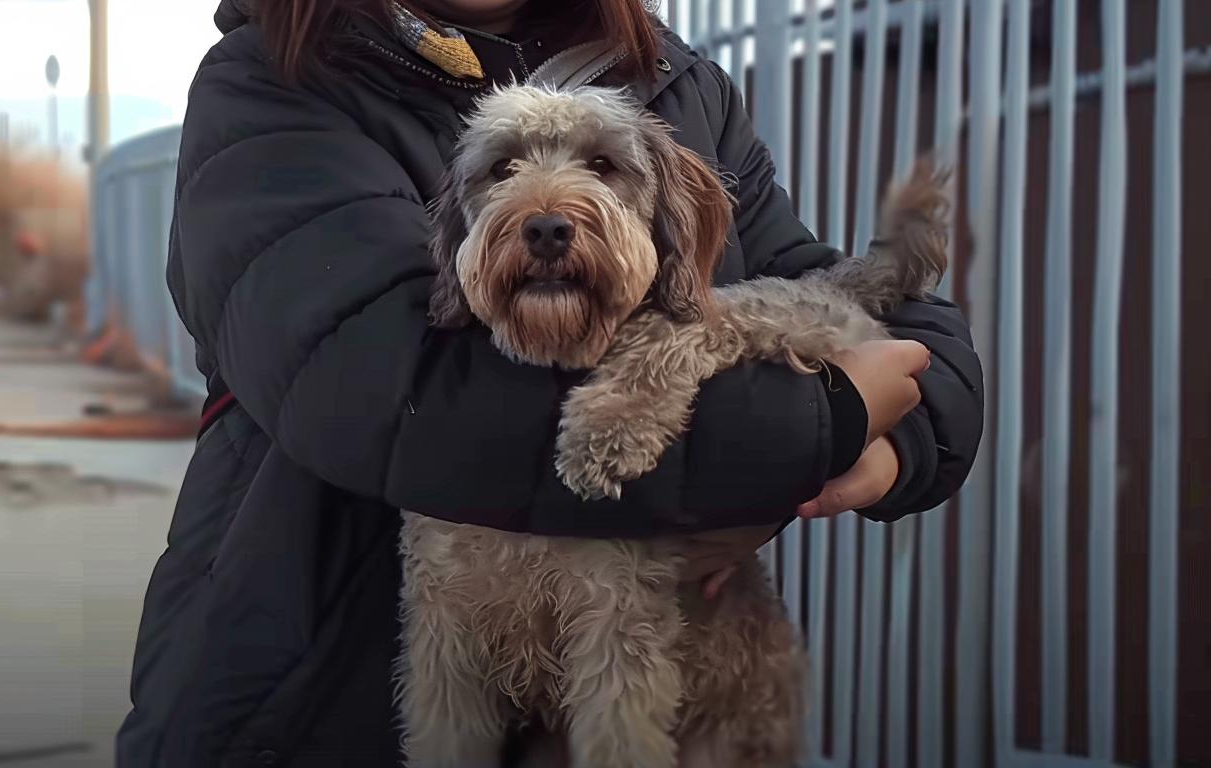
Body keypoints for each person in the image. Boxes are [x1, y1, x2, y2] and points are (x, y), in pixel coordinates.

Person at [119, 0, 984, 765]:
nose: (543, 212)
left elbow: (828, 293)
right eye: (499, 173)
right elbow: (387, 386)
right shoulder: (270, 89)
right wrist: (821, 422)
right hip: (314, 711)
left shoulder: (681, 86)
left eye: (601, 170)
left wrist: (903, 434)